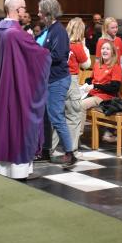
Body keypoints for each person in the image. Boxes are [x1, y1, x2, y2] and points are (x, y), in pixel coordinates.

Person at [0, 0, 51, 179]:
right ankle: (18, 171)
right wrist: (49, 53)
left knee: (3, 125)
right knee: (18, 125)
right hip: (15, 90)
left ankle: (4, 168)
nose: (25, 12)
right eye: (24, 8)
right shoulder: (16, 34)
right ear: (17, 10)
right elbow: (38, 57)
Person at [35, 0, 77, 169]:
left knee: (56, 117)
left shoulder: (58, 31)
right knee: (46, 117)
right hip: (50, 79)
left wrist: (39, 58)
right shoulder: (49, 30)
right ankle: (45, 151)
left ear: (47, 13)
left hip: (58, 80)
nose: (38, 14)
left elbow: (58, 55)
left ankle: (70, 153)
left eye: (40, 11)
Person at [51, 18, 91, 153]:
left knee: (58, 116)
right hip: (71, 80)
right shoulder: (77, 45)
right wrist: (84, 46)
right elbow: (86, 65)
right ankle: (71, 150)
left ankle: (49, 149)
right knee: (73, 116)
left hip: (56, 80)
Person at [80, 40, 122, 142]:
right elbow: (90, 79)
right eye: (103, 48)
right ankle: (71, 133)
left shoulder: (115, 67)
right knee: (72, 103)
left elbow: (114, 87)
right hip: (93, 94)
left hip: (105, 97)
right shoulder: (97, 65)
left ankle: (77, 136)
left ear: (113, 52)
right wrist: (88, 83)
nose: (104, 50)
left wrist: (96, 86)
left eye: (107, 49)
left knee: (80, 105)